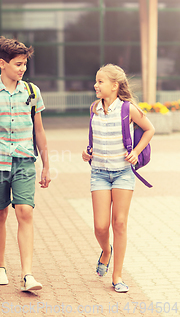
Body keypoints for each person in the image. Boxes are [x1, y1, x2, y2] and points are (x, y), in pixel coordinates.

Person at [0, 36, 51, 292]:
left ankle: (27, 274)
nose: (22, 69)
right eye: (18, 64)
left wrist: (46, 165)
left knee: (25, 211)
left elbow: (39, 131)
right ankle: (0, 267)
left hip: (25, 160)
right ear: (2, 63)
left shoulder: (32, 92)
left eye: (24, 64)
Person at [82, 64, 154, 293]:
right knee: (100, 226)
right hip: (100, 173)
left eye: (100, 81)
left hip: (123, 172)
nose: (96, 85)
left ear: (114, 86)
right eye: (96, 81)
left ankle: (118, 276)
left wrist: (136, 151)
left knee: (119, 223)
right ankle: (106, 250)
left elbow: (149, 129)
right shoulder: (94, 108)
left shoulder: (128, 108)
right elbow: (93, 138)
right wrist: (87, 152)